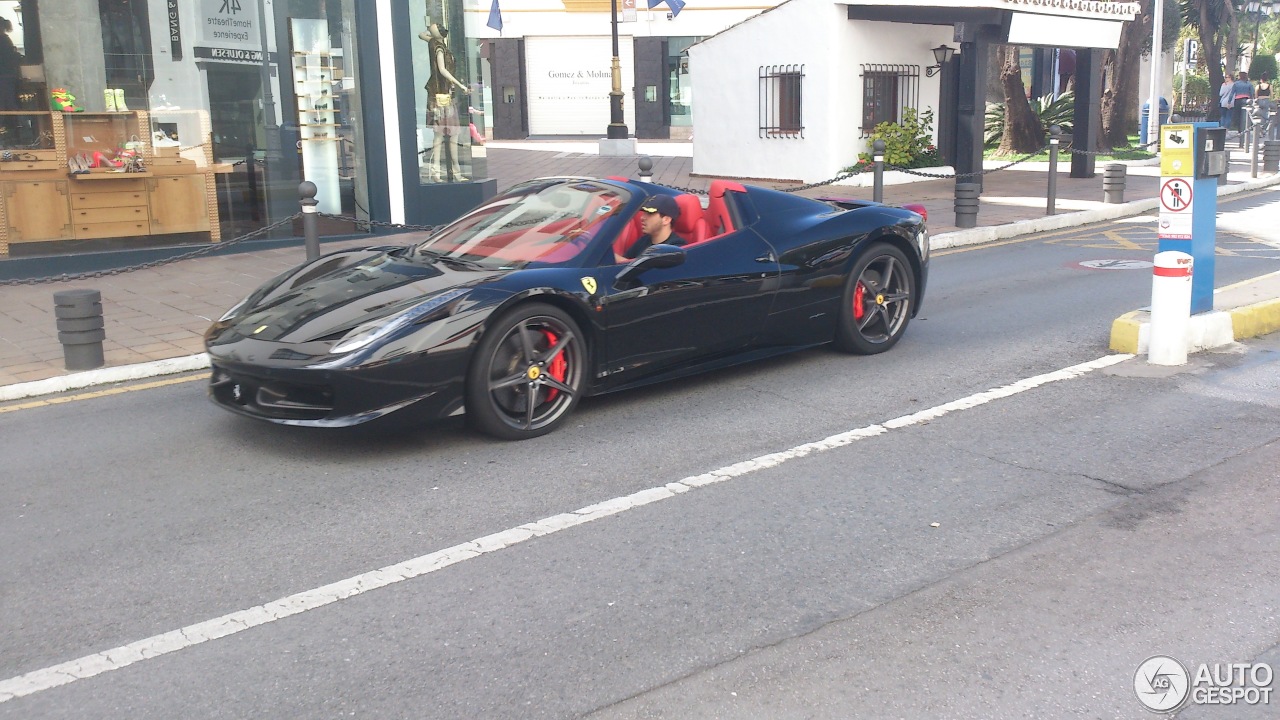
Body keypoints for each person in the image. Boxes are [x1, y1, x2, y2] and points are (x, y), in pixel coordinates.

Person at [419, 21, 469, 182]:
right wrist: (460, 85)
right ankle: (447, 171)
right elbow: (442, 70)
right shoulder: (439, 48)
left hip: (444, 95)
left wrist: (429, 29)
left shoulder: (435, 44)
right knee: (443, 135)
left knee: (444, 135)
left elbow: (422, 35)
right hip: (442, 96)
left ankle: (446, 171)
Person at [621, 195, 687, 260]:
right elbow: (625, 263)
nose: (642, 217)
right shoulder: (644, 240)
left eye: (650, 213)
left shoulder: (675, 249)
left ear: (666, 220)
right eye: (644, 213)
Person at [0, 17, 24, 112]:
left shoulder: (3, 41)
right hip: (8, 74)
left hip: (4, 75)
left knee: (6, 101)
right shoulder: (6, 40)